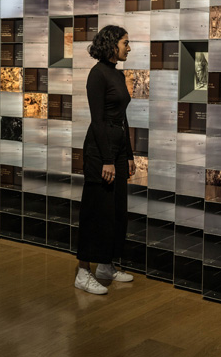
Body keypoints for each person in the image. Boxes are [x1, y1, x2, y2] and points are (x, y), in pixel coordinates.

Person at [75, 25, 136, 295]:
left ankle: (105, 265)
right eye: (125, 42)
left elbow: (121, 116)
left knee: (116, 212)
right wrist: (107, 160)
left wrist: (130, 155)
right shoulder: (97, 75)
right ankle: (83, 271)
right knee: (95, 212)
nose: (129, 47)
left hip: (118, 150)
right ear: (112, 45)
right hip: (100, 152)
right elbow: (98, 121)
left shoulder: (117, 74)